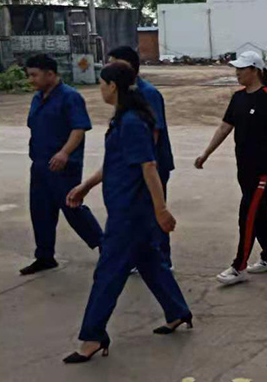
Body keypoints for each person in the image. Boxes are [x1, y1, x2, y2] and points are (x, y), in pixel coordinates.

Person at [63, 62, 192, 364]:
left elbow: (149, 166)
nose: (100, 89)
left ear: (113, 86)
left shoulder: (132, 121)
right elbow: (114, 164)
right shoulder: (122, 119)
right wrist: (85, 187)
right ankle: (177, 311)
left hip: (131, 212)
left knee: (108, 271)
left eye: (101, 83)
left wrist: (161, 209)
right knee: (149, 261)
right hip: (126, 207)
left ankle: (93, 336)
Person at [194, 51, 267, 286]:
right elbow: (224, 128)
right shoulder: (238, 98)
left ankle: (239, 267)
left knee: (247, 214)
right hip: (244, 169)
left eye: (241, 69)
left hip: (263, 171)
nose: (237, 73)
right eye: (236, 69)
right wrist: (206, 153)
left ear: (255, 70)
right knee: (260, 212)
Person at [20, 54, 103, 276]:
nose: (31, 80)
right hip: (40, 165)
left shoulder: (70, 97)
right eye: (29, 75)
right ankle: (44, 256)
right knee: (40, 211)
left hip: (63, 167)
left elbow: (79, 128)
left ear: (50, 74)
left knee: (73, 208)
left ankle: (105, 246)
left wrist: (65, 153)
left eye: (34, 75)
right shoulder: (38, 97)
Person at [107, 46, 175, 271]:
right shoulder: (126, 94)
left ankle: (162, 261)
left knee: (155, 211)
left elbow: (153, 134)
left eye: (114, 63)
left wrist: (145, 165)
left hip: (151, 164)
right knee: (139, 215)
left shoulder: (148, 93)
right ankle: (143, 259)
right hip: (137, 165)